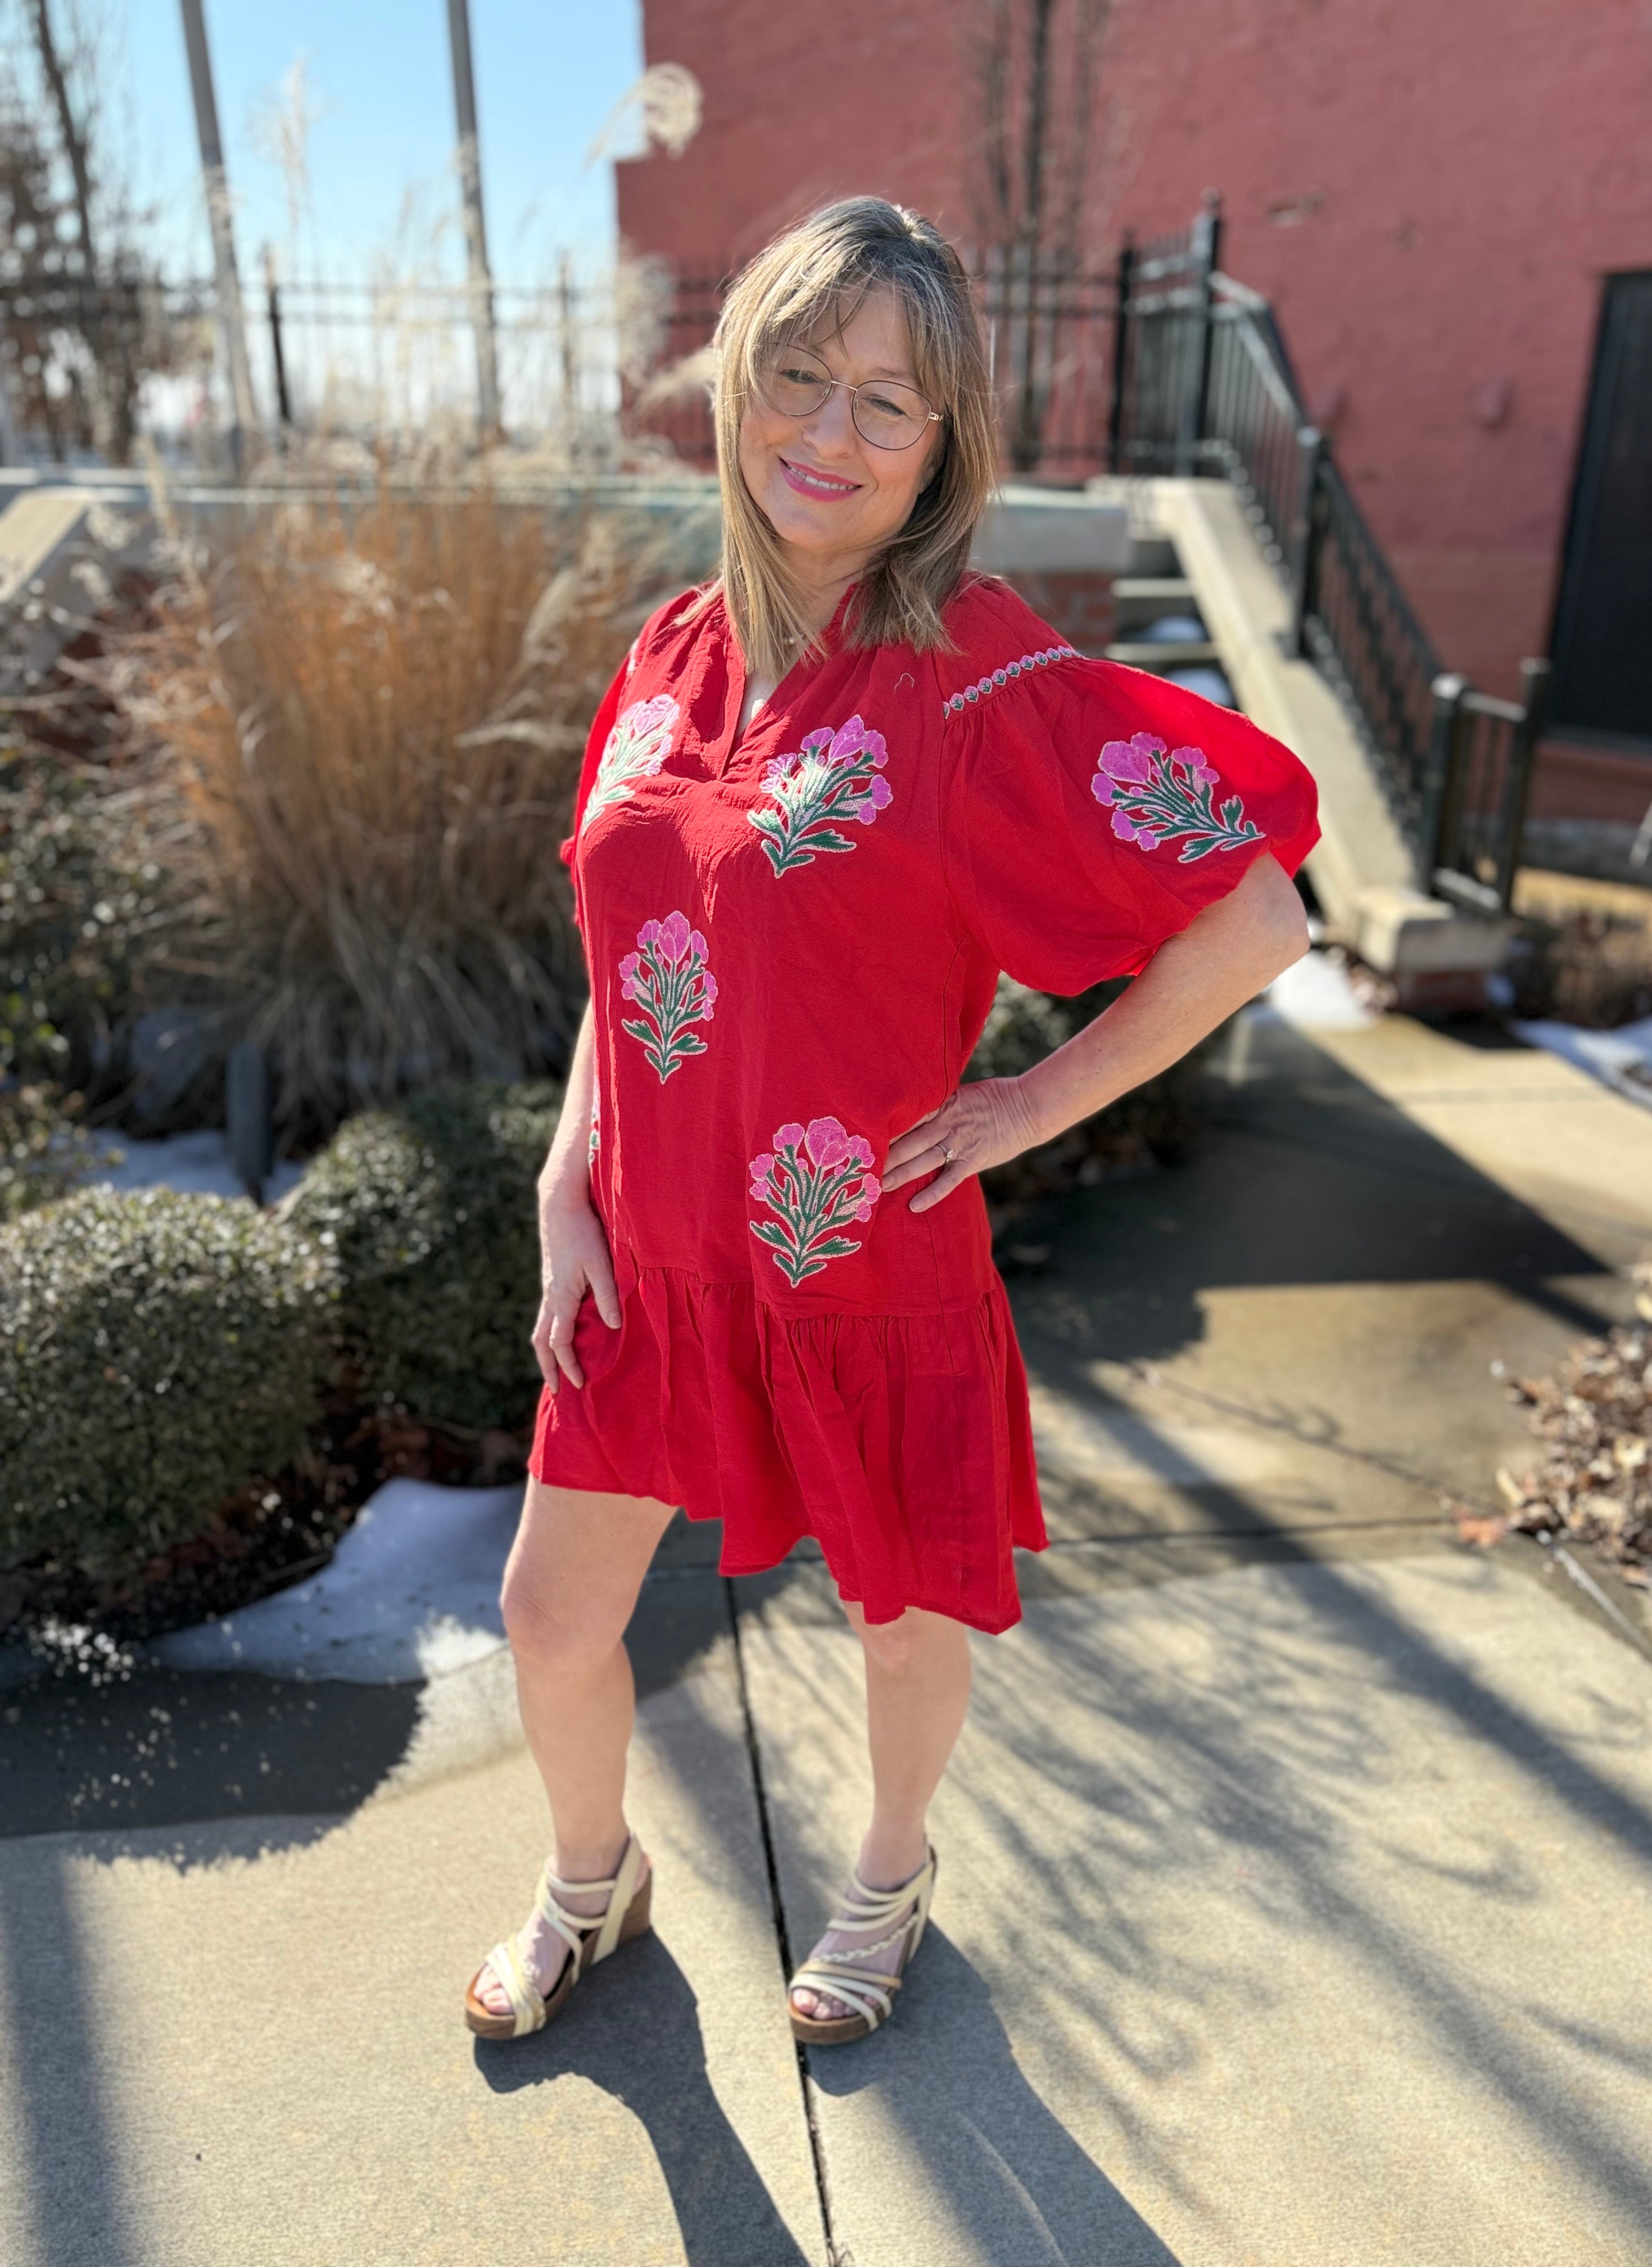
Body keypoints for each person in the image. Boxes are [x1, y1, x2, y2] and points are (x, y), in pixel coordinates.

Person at [465, 196, 1318, 2045]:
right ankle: (591, 1882)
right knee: (547, 1610)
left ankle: (889, 1875)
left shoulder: (973, 666)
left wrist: (1033, 1098)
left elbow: (1255, 915)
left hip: (860, 1254)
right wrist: (562, 1176)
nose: (830, 434)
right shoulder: (669, 652)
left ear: (945, 448)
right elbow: (631, 956)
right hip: (648, 1255)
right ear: (736, 383)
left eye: (889, 403)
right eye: (799, 374)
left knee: (901, 1611)